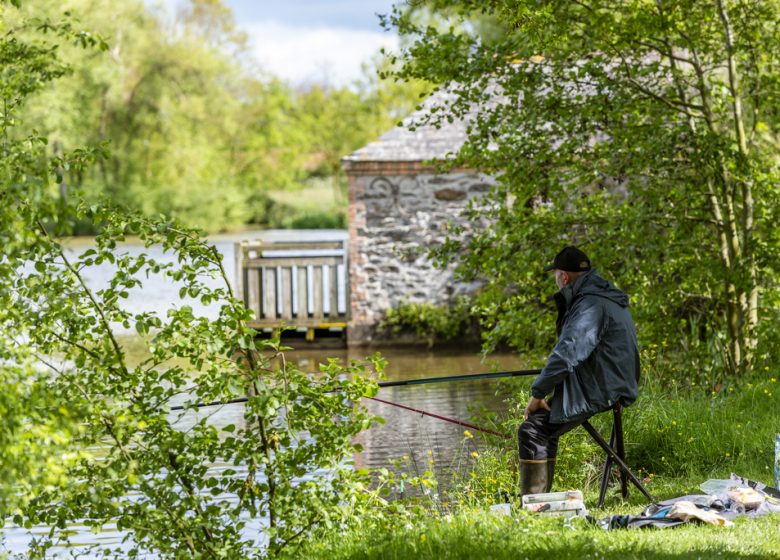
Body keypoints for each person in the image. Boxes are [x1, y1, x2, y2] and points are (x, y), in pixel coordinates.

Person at [518, 246, 640, 496]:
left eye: (555, 275)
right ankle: (538, 498)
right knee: (545, 424)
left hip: (604, 387)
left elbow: (567, 353)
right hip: (615, 381)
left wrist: (538, 393)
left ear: (563, 277)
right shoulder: (604, 295)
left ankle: (533, 503)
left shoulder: (590, 305)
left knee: (533, 429)